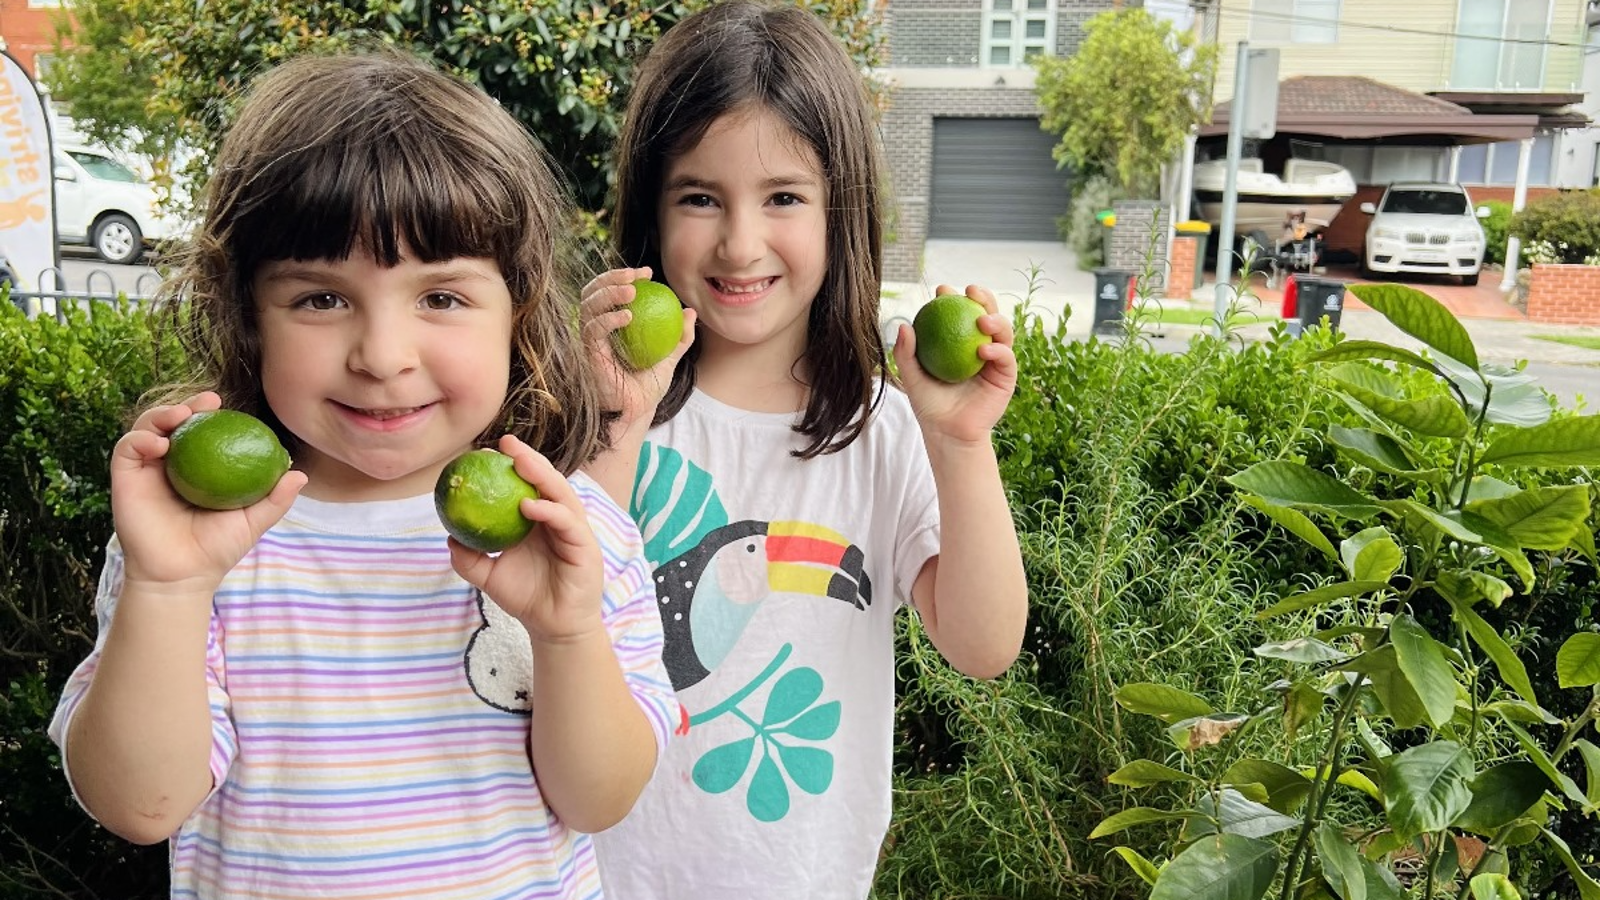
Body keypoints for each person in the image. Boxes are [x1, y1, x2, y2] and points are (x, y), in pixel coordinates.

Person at [47, 50, 679, 899]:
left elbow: (598, 801)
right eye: (320, 298)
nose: (382, 356)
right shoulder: (194, 543)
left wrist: (565, 636)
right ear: (247, 317)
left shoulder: (575, 530)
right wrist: (166, 590)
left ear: (519, 313)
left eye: (441, 297)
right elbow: (140, 805)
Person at [580, 2, 1028, 896]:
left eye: (783, 197)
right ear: (650, 210)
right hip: (599, 877)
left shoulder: (881, 428)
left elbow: (983, 646)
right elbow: (553, 615)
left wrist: (960, 441)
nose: (740, 242)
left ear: (840, 213)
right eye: (699, 197)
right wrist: (607, 425)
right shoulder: (603, 411)